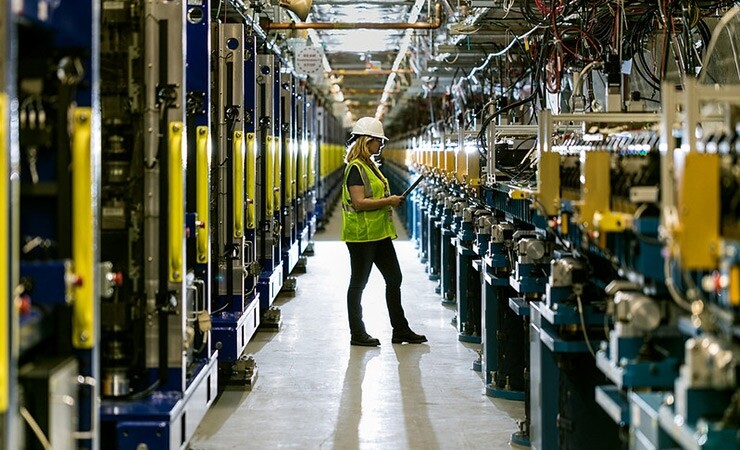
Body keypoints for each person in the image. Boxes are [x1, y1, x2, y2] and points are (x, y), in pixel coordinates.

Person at [340, 117, 427, 347]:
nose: (381, 145)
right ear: (367, 141)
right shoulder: (355, 169)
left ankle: (400, 330)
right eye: (378, 141)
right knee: (358, 283)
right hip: (361, 236)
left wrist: (388, 201)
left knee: (394, 278)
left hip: (379, 233)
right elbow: (359, 203)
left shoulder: (370, 165)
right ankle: (357, 333)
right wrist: (389, 200)